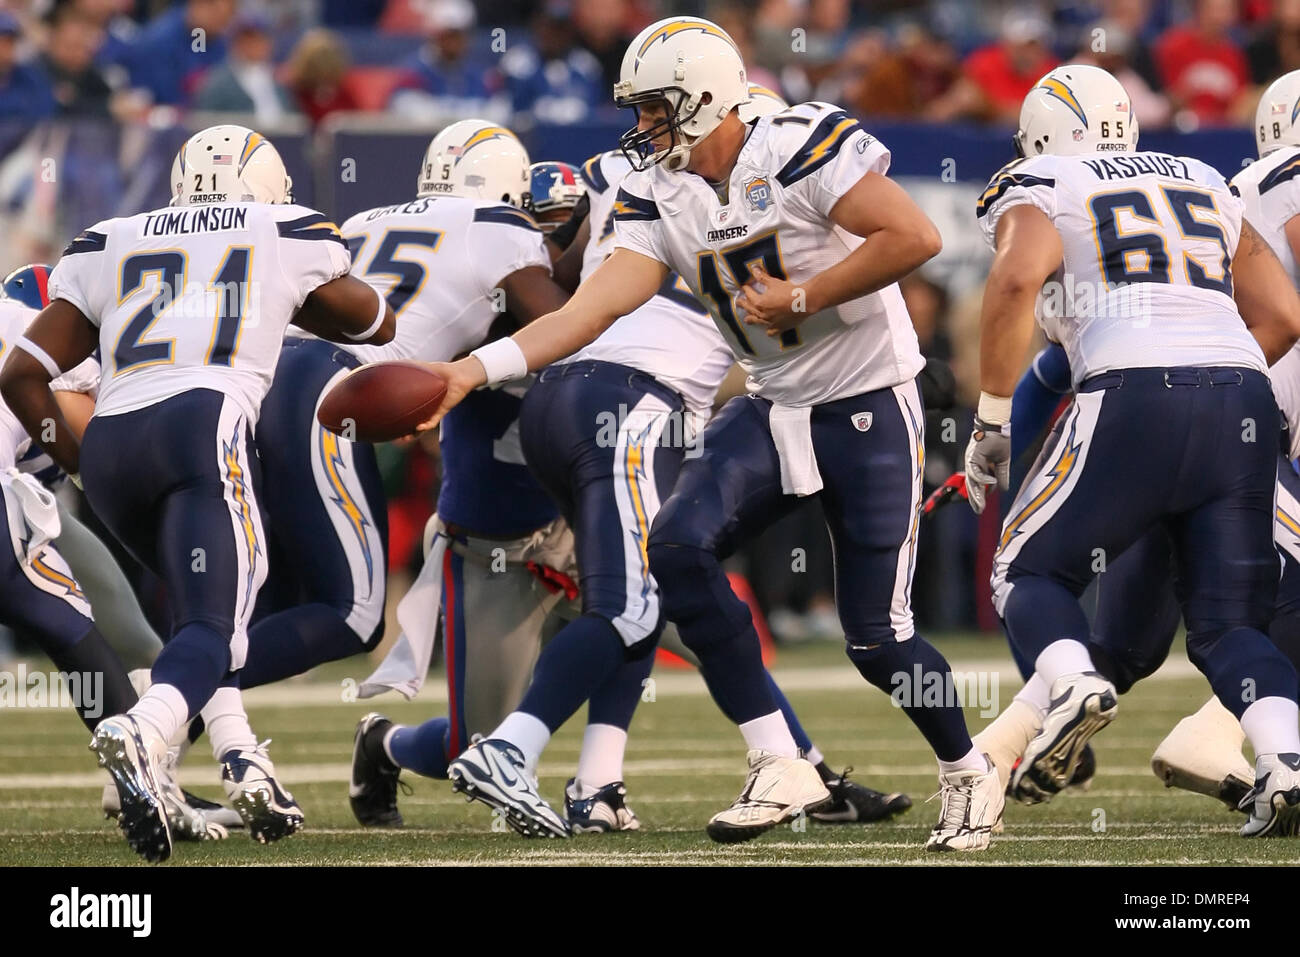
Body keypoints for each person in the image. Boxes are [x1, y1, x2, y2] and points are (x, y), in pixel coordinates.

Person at [417, 17, 1000, 850]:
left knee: (880, 638)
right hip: (771, 401)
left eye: (656, 107)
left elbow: (915, 236)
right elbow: (593, 308)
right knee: (676, 547)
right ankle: (779, 758)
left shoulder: (796, 142)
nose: (644, 126)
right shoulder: (661, 189)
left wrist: (803, 295)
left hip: (868, 401)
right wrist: (472, 372)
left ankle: (968, 770)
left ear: (703, 96)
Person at [0, 125, 395, 862]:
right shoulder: (281, 225)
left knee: (205, 616)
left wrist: (79, 466)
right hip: (201, 423)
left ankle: (243, 757)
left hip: (115, 445)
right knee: (217, 619)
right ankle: (146, 731)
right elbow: (375, 319)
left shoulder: (109, 236)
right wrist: (286, 298)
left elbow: (20, 375)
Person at [965, 63, 1300, 837]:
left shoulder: (1043, 178)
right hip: (1242, 391)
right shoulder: (1199, 174)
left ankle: (1076, 684)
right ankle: (1284, 758)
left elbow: (1015, 283)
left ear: (1043, 135)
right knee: (1230, 627)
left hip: (1132, 388)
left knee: (1026, 567)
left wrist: (987, 422)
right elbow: (1282, 312)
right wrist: (1208, 376)